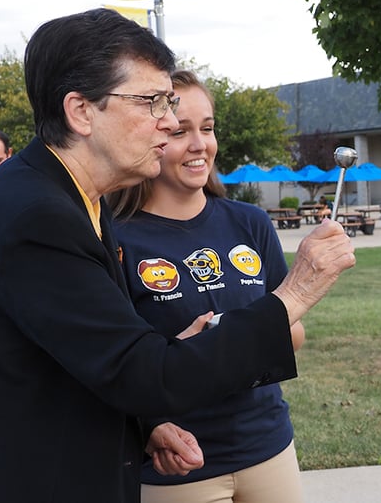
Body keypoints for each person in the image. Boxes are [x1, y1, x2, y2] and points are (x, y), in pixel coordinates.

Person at [0, 8, 356, 503]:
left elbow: (77, 355)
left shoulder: (74, 201)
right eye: (152, 102)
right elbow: (145, 373)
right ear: (80, 111)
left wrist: (143, 427)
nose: (168, 123)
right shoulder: (36, 216)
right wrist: (294, 294)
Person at [108, 69, 306, 503]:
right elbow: (113, 362)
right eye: (181, 131)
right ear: (154, 135)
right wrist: (150, 427)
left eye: (208, 128)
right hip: (178, 466)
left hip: (267, 445)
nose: (200, 145)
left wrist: (227, 336)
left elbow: (294, 334)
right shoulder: (116, 239)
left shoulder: (249, 222)